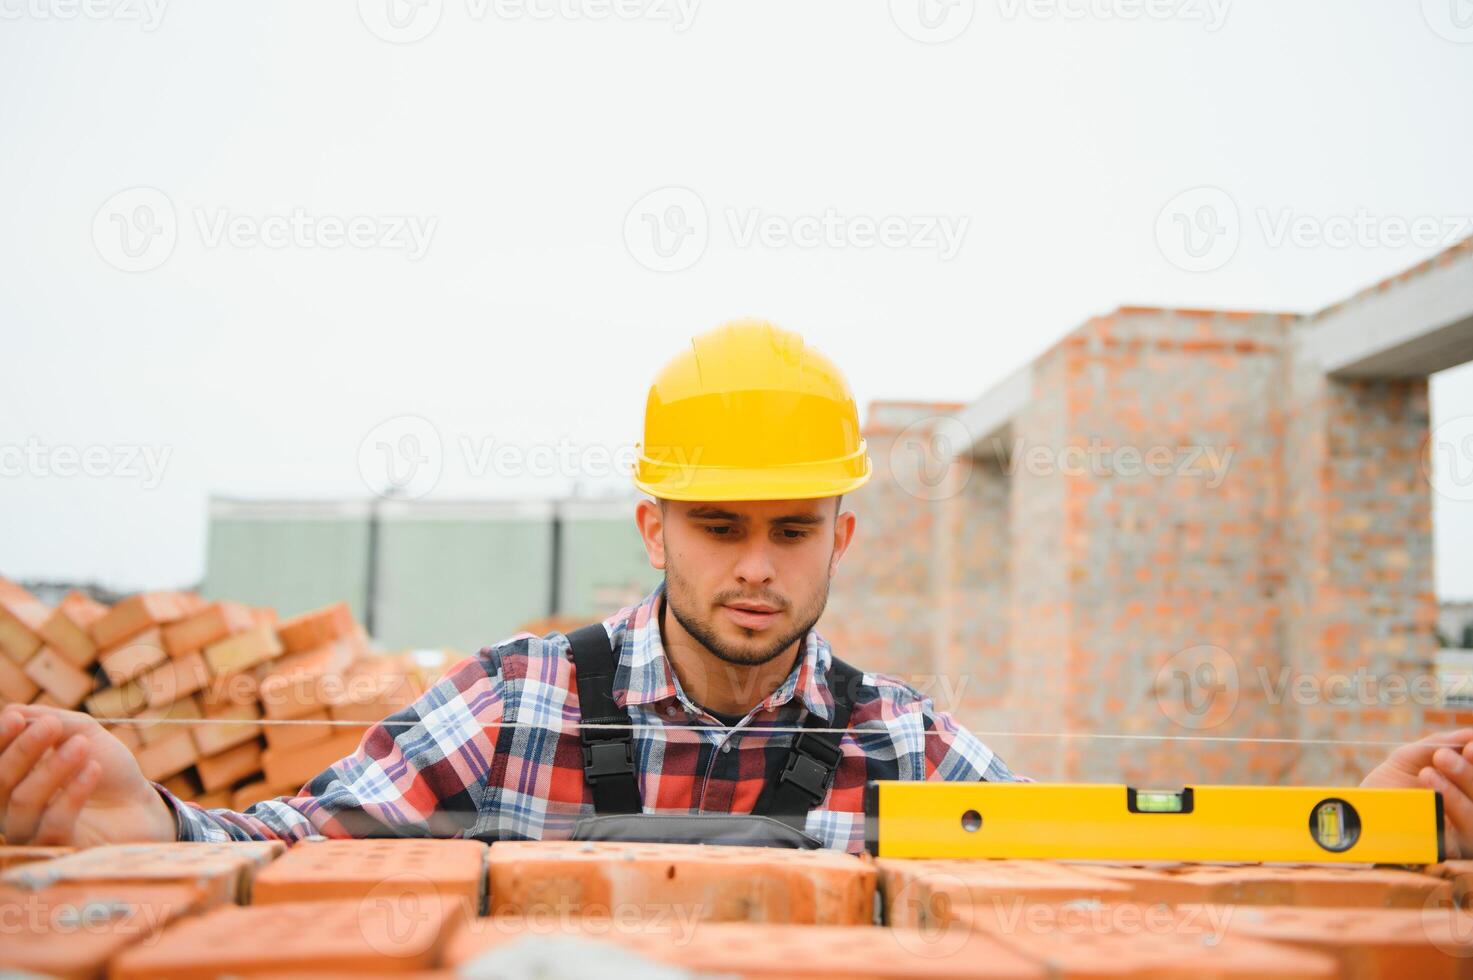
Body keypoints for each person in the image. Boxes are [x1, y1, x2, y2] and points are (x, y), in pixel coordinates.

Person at [1, 320, 1470, 855]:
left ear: (845, 535)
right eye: (718, 526)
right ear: (653, 525)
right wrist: (153, 823)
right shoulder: (517, 706)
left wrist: (1369, 826)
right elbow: (305, 836)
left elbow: (1107, 869)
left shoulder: (906, 747)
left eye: (788, 527)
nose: (754, 567)